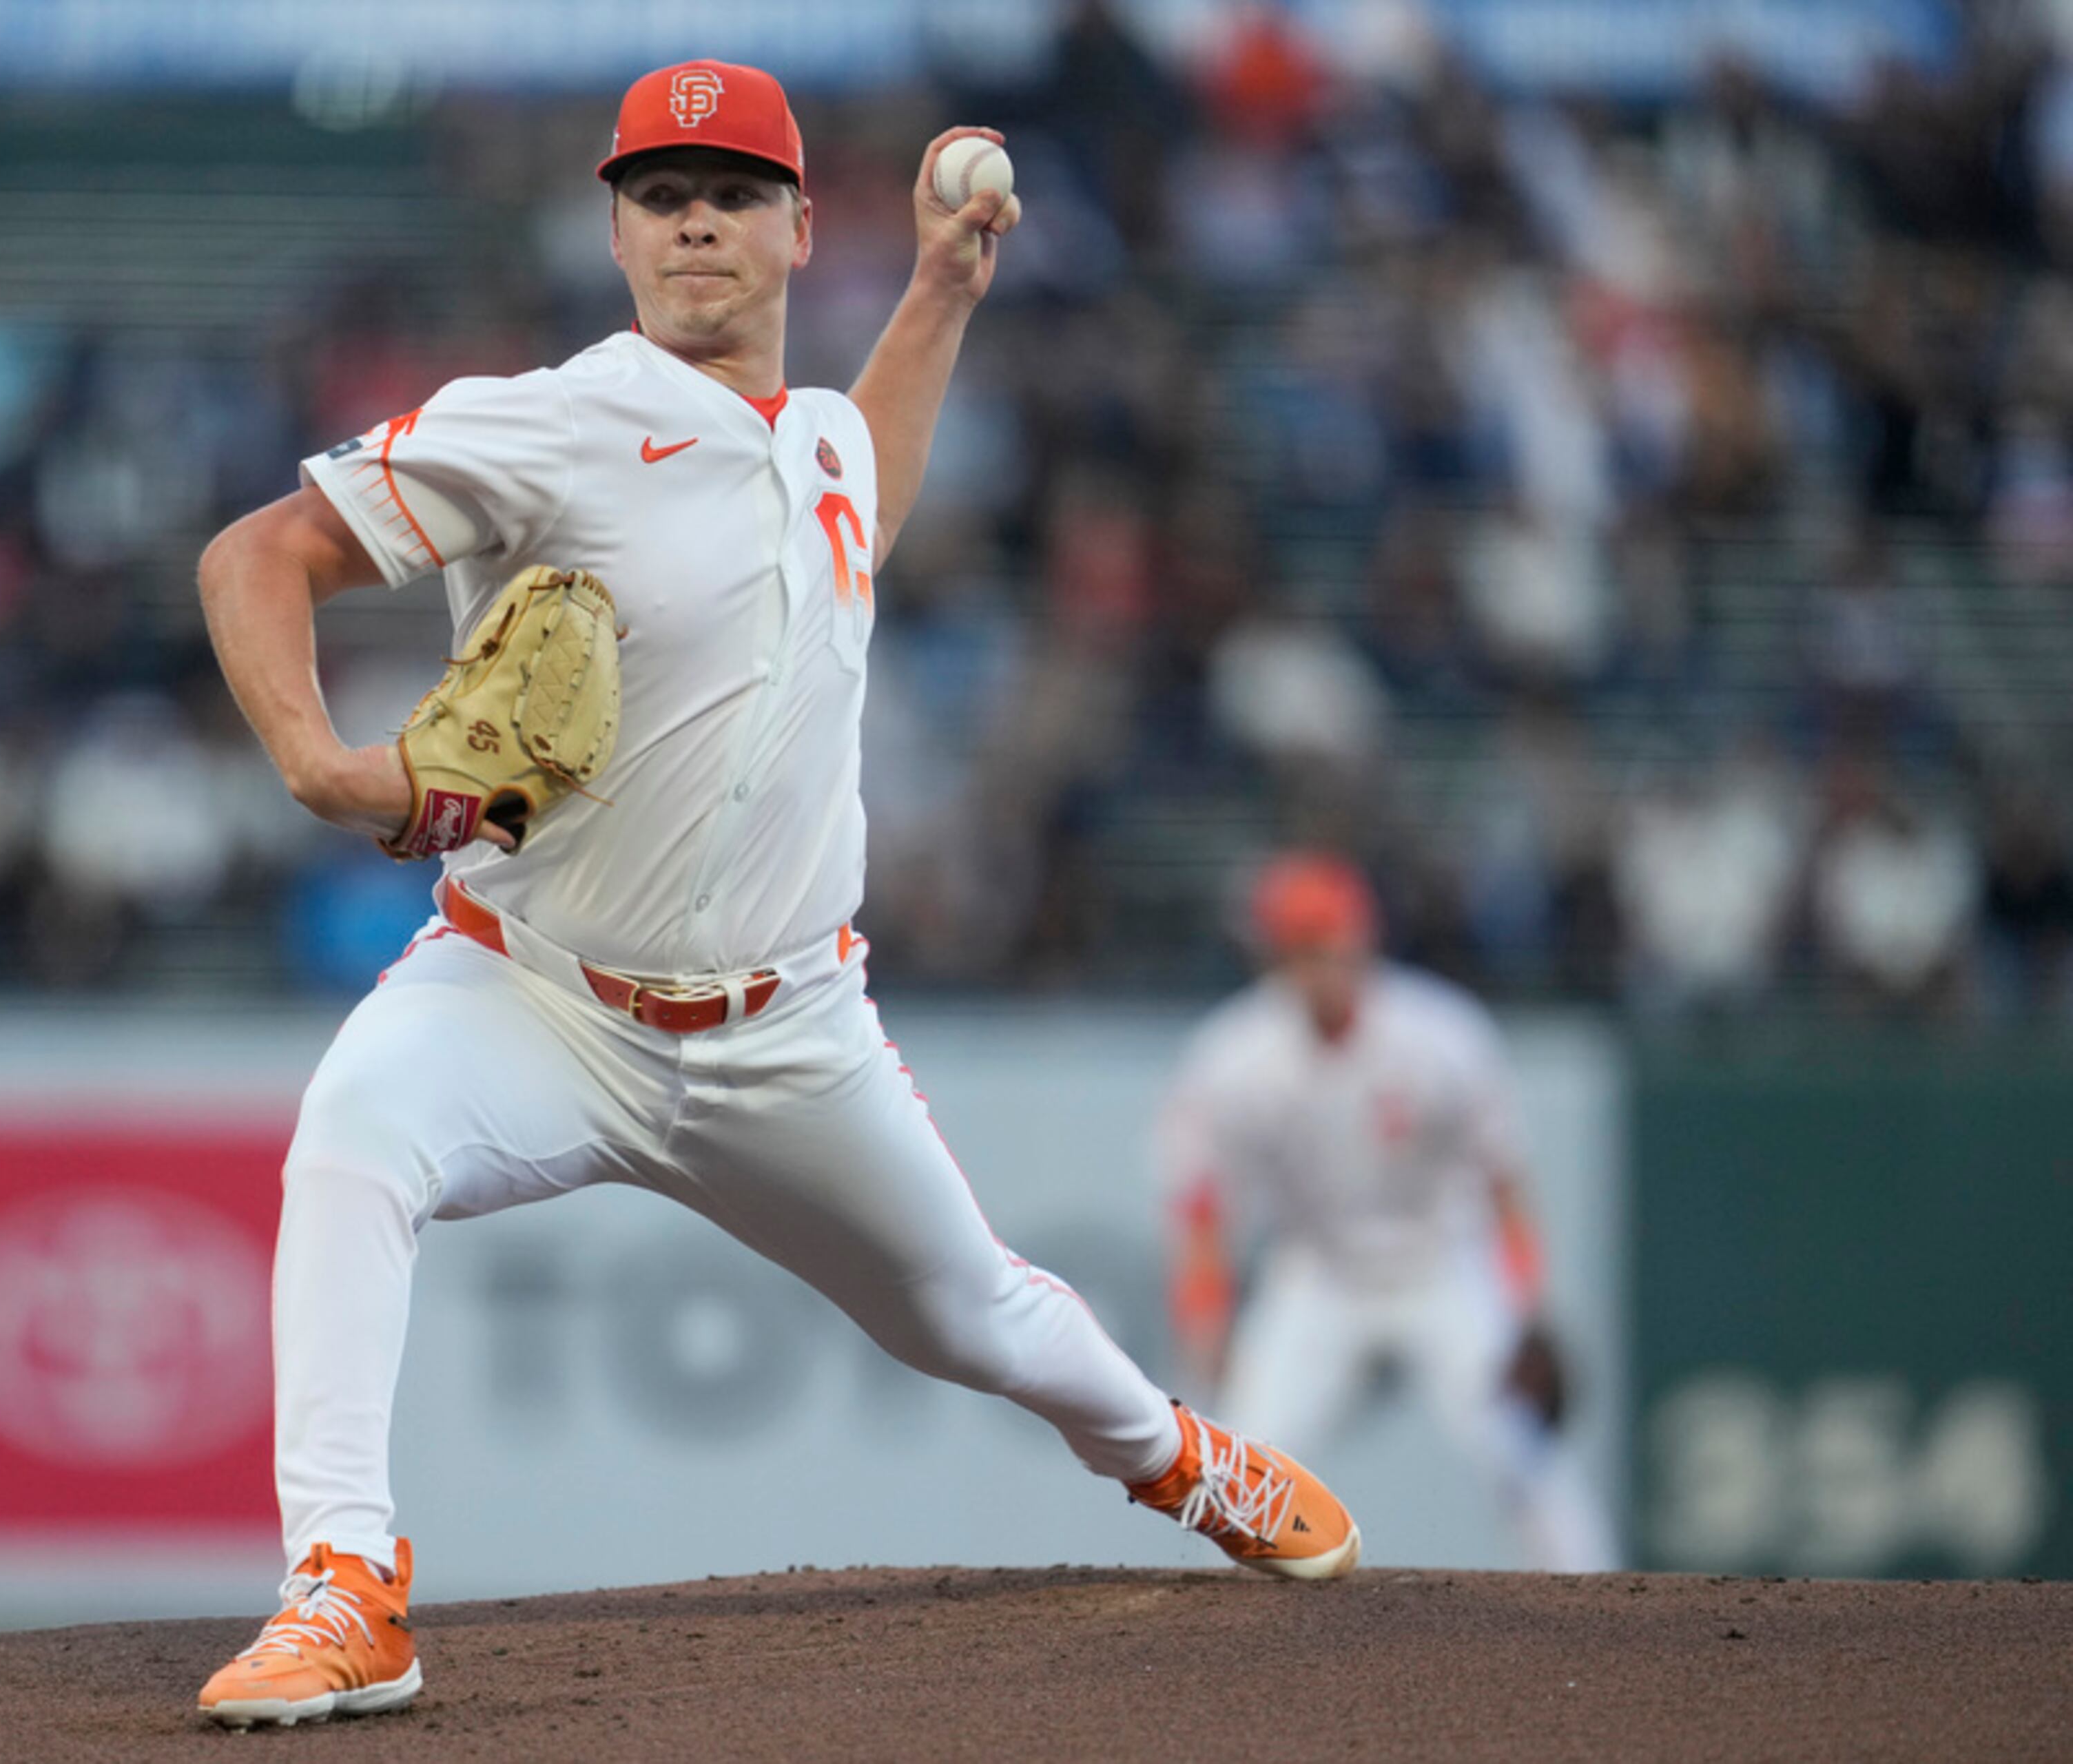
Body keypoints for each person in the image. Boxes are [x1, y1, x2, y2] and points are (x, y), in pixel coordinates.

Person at [191, 61, 1360, 1728]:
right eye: (658, 193)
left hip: (786, 1024)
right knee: (349, 1144)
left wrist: (947, 287)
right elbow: (255, 552)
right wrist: (322, 763)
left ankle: (1176, 1455)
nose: (692, 222)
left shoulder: (811, 437)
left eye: (730, 192)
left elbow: (854, 495)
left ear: (803, 230)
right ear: (610, 227)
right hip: (526, 988)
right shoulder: (548, 417)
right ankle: (343, 1579)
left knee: (980, 1312)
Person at [1155, 852, 1620, 1573]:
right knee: (1237, 1467)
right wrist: (1206, 1321)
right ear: (1274, 955)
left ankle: (1604, 1604)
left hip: (1439, 1262)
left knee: (1519, 1448)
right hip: (1319, 1272)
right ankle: (1221, 1645)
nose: (1318, 963)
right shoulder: (1234, 1056)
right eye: (1299, 946)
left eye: (1329, 940)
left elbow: (1505, 1185)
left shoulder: (1440, 1034)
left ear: (1363, 938)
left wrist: (1529, 1308)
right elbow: (1202, 1206)